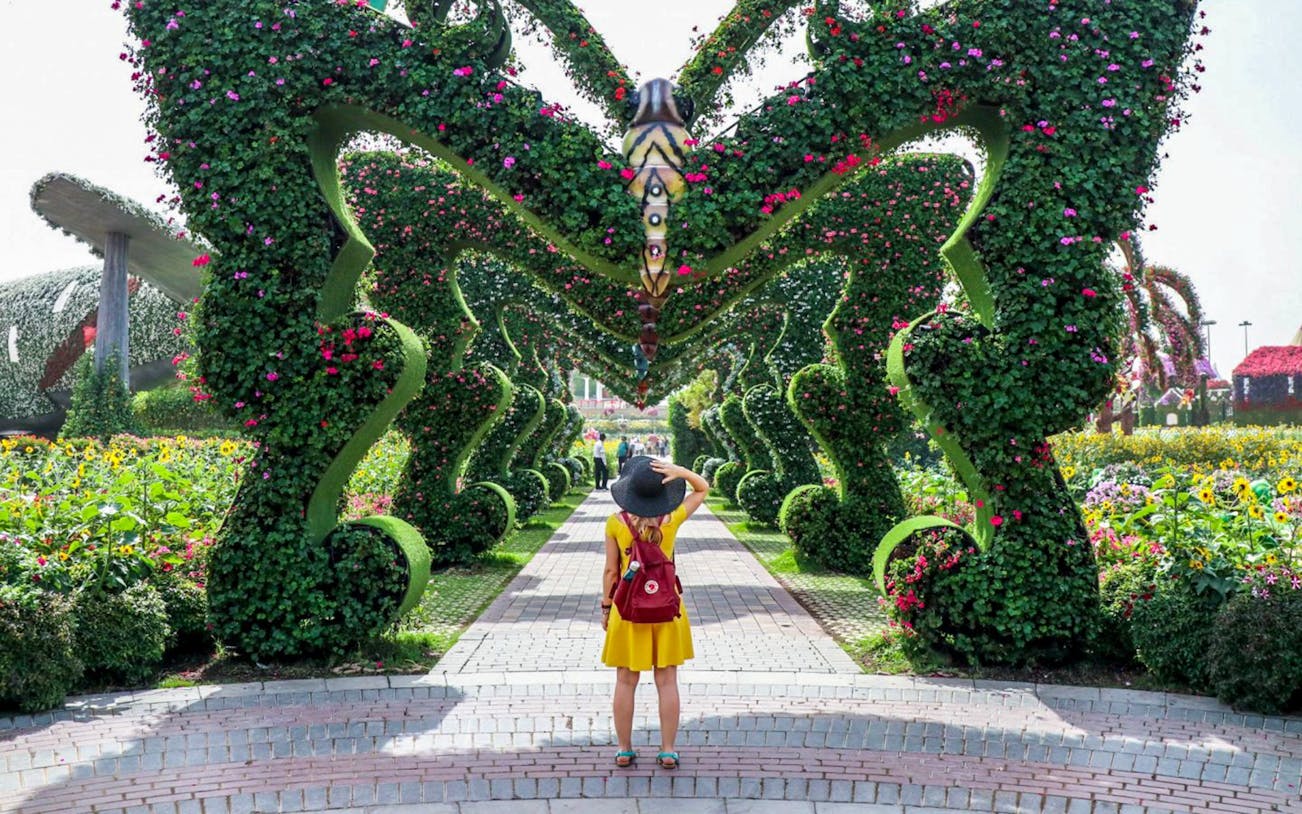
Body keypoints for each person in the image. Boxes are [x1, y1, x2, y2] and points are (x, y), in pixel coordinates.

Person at [600, 455, 709, 770]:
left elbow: (611, 571)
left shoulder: (614, 523)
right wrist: (681, 472)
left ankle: (624, 748)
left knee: (625, 679)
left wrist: (606, 607)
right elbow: (702, 489)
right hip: (667, 608)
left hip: (627, 609)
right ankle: (668, 750)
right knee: (667, 680)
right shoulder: (671, 519)